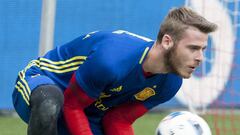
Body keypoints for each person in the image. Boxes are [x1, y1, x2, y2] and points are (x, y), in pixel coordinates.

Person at [12, 7, 217, 135]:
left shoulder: (171, 83)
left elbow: (118, 120)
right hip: (44, 83)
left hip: (88, 111)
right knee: (50, 103)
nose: (200, 57)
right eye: (193, 48)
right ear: (167, 41)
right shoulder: (112, 59)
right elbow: (72, 105)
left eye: (203, 49)